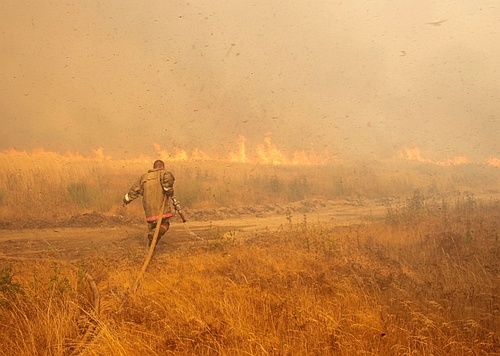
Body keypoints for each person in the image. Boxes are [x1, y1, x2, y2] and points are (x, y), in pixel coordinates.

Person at [122, 160, 175, 247]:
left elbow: (134, 190)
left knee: (153, 226)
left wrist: (126, 200)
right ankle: (153, 235)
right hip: (161, 208)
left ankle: (151, 244)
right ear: (162, 166)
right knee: (165, 224)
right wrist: (168, 190)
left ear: (154, 167)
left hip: (149, 211)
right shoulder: (164, 173)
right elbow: (169, 181)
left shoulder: (144, 177)